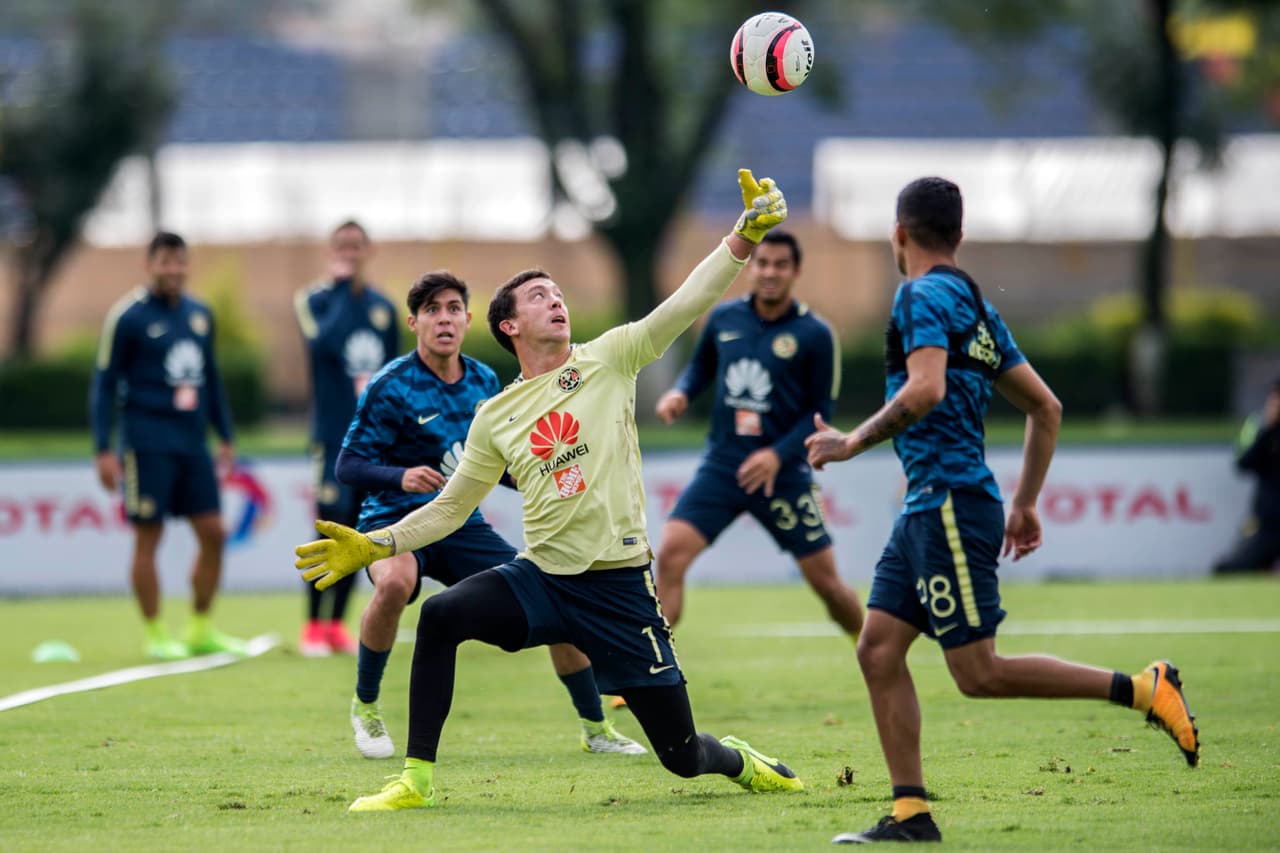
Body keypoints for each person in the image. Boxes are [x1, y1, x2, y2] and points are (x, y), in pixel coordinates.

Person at [296, 169, 804, 812]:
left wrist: (742, 235)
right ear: (509, 326)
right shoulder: (495, 413)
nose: (556, 301)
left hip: (619, 586)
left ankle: (737, 759)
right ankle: (414, 781)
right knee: (441, 615)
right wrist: (377, 545)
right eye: (539, 296)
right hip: (542, 578)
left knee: (682, 757)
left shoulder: (611, 357)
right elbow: (453, 507)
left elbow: (686, 302)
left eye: (558, 293)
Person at [804, 177, 1201, 844]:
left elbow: (925, 389)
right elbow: (1046, 408)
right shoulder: (978, 309)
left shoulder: (920, 294)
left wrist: (849, 444)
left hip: (949, 503)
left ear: (899, 235)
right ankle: (911, 813)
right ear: (958, 236)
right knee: (877, 649)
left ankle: (1143, 687)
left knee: (979, 672)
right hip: (933, 506)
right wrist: (1023, 502)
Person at [335, 270, 644, 759]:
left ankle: (595, 726)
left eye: (454, 308)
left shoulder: (483, 381)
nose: (445, 319)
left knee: (554, 599)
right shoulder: (389, 385)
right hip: (394, 516)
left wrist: (524, 475)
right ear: (414, 322)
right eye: (433, 310)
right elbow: (347, 465)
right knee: (394, 584)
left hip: (461, 524)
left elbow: (493, 459)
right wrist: (401, 477)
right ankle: (367, 708)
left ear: (469, 319)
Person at [653, 229, 864, 638]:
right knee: (670, 556)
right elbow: (701, 369)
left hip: (783, 476)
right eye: (762, 262)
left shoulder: (815, 334)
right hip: (723, 467)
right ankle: (650, 669)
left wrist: (777, 455)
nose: (769, 272)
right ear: (750, 267)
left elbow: (821, 411)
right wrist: (680, 392)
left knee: (829, 587)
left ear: (795, 271)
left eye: (780, 264)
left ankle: (873, 651)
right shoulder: (724, 318)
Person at [90, 231, 246, 661]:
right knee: (149, 536)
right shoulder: (128, 316)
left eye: (180, 261)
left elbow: (210, 379)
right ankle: (156, 633)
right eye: (165, 262)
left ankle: (199, 627)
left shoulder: (200, 314)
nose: (173, 269)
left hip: (193, 443)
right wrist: (103, 448)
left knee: (213, 533)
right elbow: (104, 385)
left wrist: (226, 436)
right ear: (149, 265)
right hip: (145, 443)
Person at [293, 220, 399, 656]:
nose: (350, 253)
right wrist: (341, 290)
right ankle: (311, 627)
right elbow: (322, 347)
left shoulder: (383, 307)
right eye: (342, 246)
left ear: (368, 249)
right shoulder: (313, 301)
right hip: (333, 438)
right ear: (331, 251)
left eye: (357, 246)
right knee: (328, 526)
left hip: (374, 442)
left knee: (358, 533)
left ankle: (336, 624)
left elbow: (395, 372)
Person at [1213, 377, 1280, 574]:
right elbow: (1242, 463)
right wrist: (1268, 430)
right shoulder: (1259, 424)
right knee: (1231, 570)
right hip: (1268, 525)